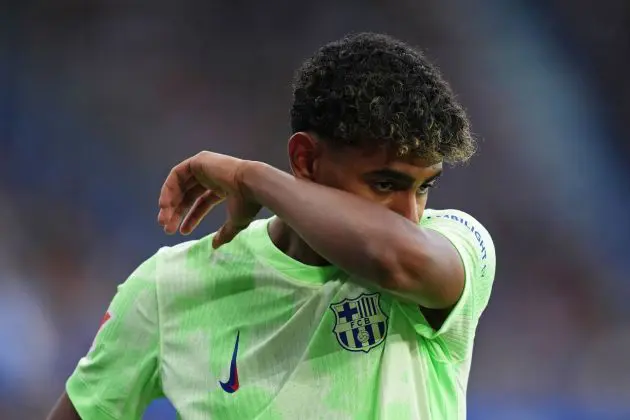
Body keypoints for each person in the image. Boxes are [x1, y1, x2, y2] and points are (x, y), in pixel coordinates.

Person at [48, 32, 496, 420]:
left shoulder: (456, 245)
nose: (411, 215)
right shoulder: (169, 288)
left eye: (423, 188)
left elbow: (394, 261)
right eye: (384, 184)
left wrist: (251, 177)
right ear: (306, 160)